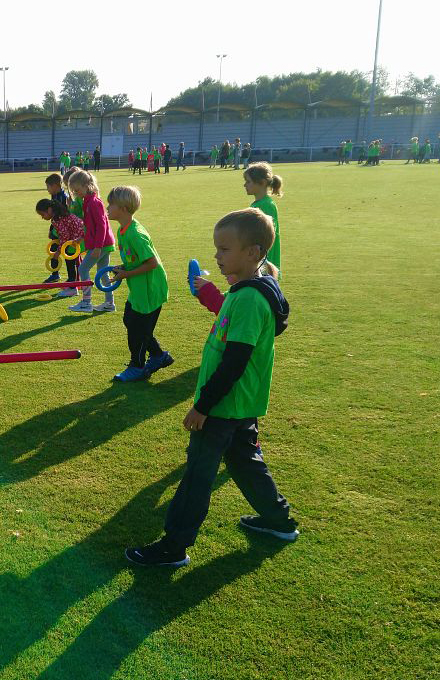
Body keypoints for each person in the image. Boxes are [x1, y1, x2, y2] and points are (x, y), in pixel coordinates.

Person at [126, 207, 295, 568]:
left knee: (197, 476)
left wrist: (202, 405)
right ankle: (279, 521)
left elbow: (235, 360)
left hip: (222, 405)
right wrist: (210, 296)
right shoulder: (247, 288)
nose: (217, 257)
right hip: (240, 403)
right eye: (216, 249)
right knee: (246, 462)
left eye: (224, 250)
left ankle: (174, 547)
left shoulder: (250, 297)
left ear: (253, 252)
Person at [104, 186, 172, 382]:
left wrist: (126, 274)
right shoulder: (123, 230)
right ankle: (159, 355)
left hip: (150, 289)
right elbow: (136, 259)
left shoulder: (135, 234)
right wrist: (123, 267)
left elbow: (152, 263)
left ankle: (138, 366)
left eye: (111, 204)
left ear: (123, 208)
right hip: (139, 289)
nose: (108, 208)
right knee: (130, 321)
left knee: (138, 331)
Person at [67, 170, 116, 313]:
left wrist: (98, 247)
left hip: (101, 245)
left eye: (77, 190)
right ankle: (109, 303)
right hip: (102, 244)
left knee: (83, 269)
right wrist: (82, 238)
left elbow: (102, 226)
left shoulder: (94, 203)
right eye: (74, 191)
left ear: (87, 185)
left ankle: (86, 302)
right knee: (103, 272)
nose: (76, 194)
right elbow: (90, 226)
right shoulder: (87, 202)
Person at [36, 196, 84, 296]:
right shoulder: (61, 215)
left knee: (70, 264)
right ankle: (72, 285)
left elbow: (64, 237)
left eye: (42, 214)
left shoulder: (56, 220)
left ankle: (72, 288)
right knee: (71, 263)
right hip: (79, 237)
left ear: (49, 210)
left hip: (77, 241)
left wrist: (58, 252)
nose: (42, 217)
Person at [244, 162, 284, 271]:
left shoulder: (266, 205)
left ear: (262, 183)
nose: (245, 185)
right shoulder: (258, 204)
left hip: (263, 259)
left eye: (248, 182)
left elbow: (266, 236)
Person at [41, 173, 79, 287]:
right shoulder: (54, 196)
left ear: (56, 185)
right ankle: (55, 273)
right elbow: (53, 216)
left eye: (48, 187)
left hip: (66, 231)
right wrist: (51, 229)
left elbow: (66, 215)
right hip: (57, 229)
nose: (47, 189)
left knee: (68, 253)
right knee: (53, 250)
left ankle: (72, 278)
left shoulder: (64, 197)